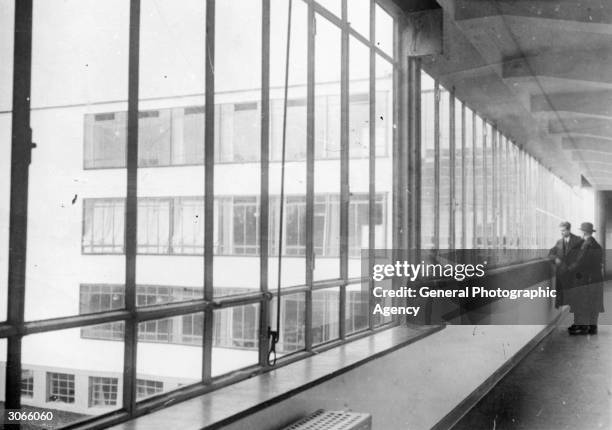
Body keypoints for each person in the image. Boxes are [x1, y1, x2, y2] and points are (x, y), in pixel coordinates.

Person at [566, 222, 604, 335]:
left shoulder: (586, 245)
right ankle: (592, 327)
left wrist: (569, 268)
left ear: (583, 232)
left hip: (586, 279)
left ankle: (580, 326)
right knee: (594, 302)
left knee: (580, 300)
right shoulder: (596, 245)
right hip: (596, 278)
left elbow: (580, 262)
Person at [548, 221, 583, 312]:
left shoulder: (578, 240)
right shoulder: (559, 242)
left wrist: (571, 267)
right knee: (563, 297)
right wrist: (555, 258)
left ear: (569, 230)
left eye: (563, 230)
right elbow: (551, 253)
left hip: (573, 273)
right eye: (560, 231)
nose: (561, 233)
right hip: (562, 274)